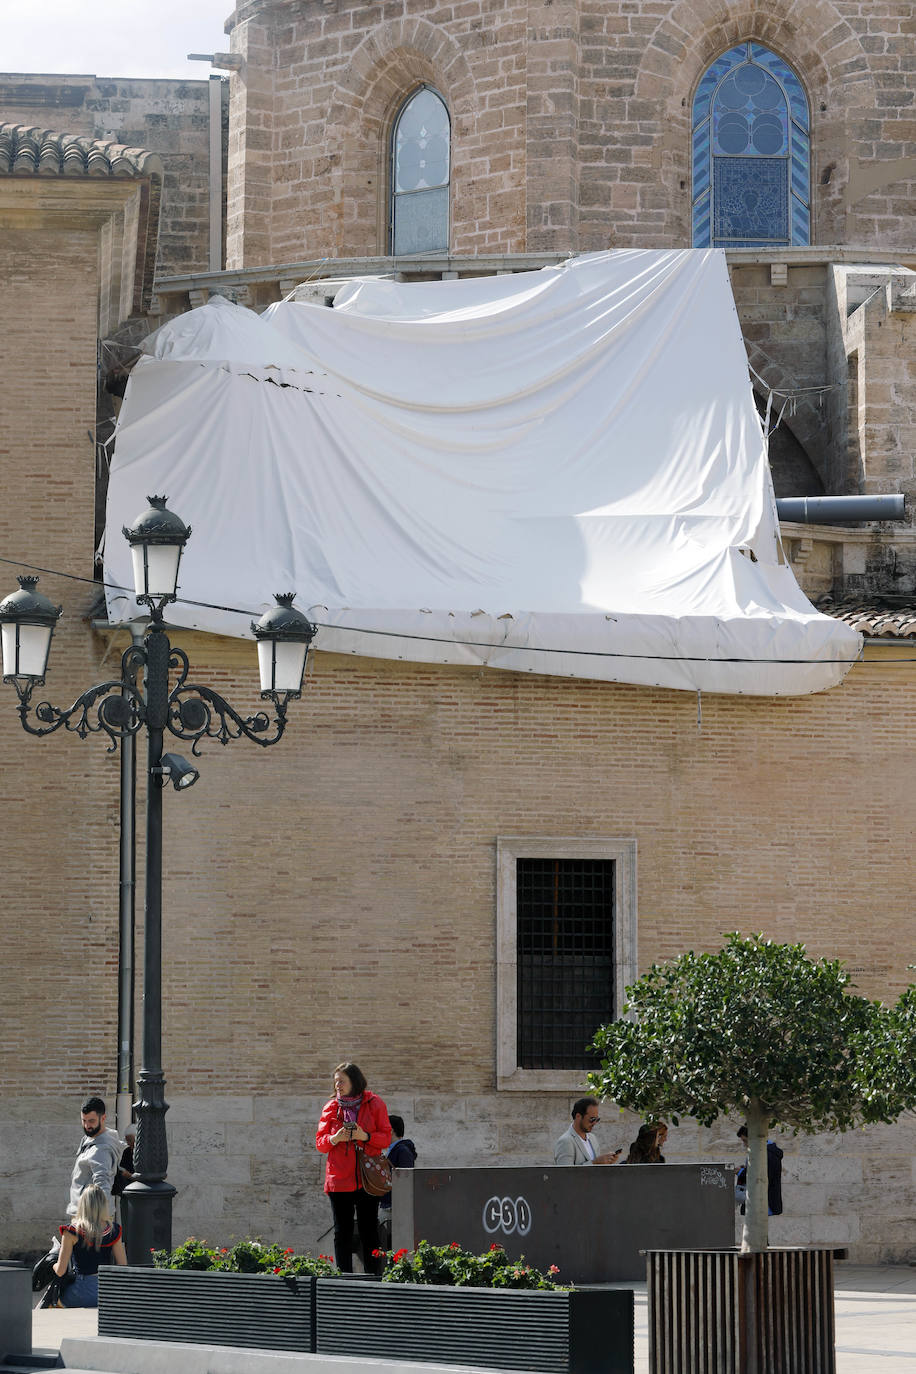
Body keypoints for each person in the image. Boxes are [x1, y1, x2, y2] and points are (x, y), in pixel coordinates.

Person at [315, 1062, 391, 1275]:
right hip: (339, 1178)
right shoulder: (330, 1107)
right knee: (342, 1232)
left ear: (354, 1081)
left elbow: (385, 1137)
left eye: (342, 1081)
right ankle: (343, 1279)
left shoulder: (375, 1103)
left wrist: (364, 1136)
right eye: (336, 1081)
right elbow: (320, 1143)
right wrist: (335, 1138)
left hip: (367, 1178)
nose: (337, 1085)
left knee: (370, 1231)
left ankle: (373, 1278)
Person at [51, 1184, 127, 1307]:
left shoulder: (71, 1231)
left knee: (54, 1299)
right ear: (103, 1205)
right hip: (106, 1293)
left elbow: (60, 1271)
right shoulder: (114, 1230)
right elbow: (123, 1267)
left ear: (82, 1204)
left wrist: (53, 1263)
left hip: (81, 1290)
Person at [67, 1097, 122, 1218]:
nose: (87, 1125)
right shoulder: (89, 1140)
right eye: (84, 1120)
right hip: (83, 1214)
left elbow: (103, 1186)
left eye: (91, 1121)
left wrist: (101, 1221)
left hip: (91, 1219)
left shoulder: (101, 1149)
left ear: (103, 1118)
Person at [378, 1113, 417, 1250]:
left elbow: (406, 1179)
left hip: (394, 1207)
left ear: (391, 1130)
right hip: (389, 1205)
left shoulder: (402, 1150)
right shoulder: (395, 1150)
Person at [554, 1097, 622, 1165]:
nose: (594, 1123)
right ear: (578, 1116)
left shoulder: (592, 1138)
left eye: (597, 1119)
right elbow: (564, 1173)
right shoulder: (565, 1141)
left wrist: (606, 1162)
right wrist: (595, 1162)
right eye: (592, 1119)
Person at [736, 1124, 784, 1215]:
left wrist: (741, 1172)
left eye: (745, 1141)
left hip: (762, 1203)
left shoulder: (765, 1154)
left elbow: (760, 1178)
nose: (745, 1145)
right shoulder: (767, 1152)